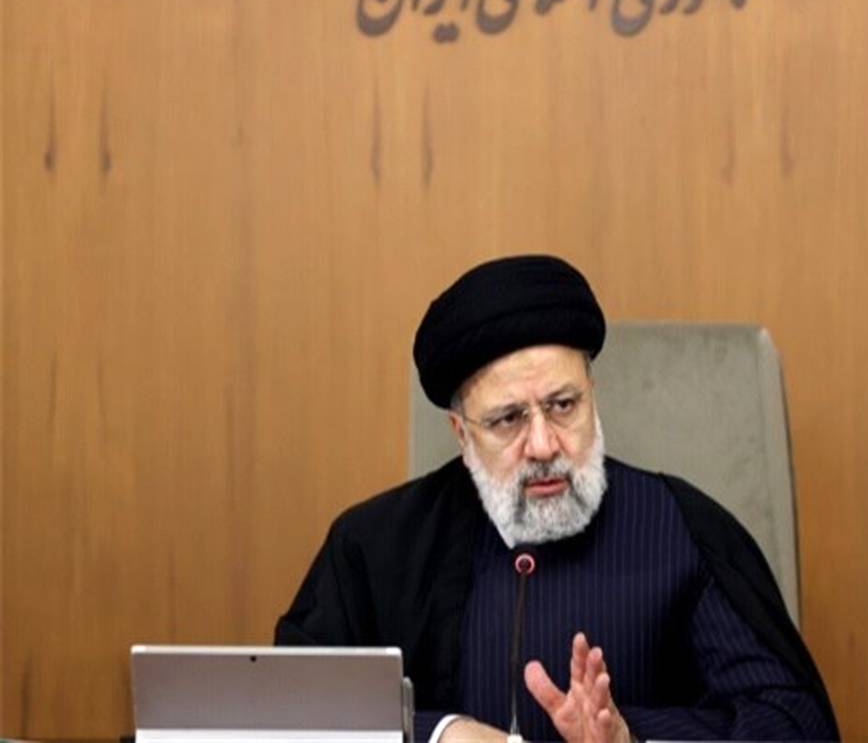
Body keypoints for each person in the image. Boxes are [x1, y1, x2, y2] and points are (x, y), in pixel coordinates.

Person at [276, 254, 839, 742]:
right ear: (461, 433)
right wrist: (440, 733)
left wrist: (630, 737)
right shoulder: (375, 546)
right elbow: (289, 716)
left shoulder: (680, 529)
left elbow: (794, 724)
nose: (544, 445)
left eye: (563, 405)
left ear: (593, 394)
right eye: (508, 419)